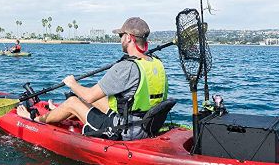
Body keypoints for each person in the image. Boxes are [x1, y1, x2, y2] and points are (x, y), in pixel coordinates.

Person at [16, 17, 167, 141]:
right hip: (147, 124)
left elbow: (88, 96)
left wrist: (72, 83)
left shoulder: (126, 67)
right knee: (97, 98)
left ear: (128, 38)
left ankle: (35, 120)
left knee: (74, 100)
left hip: (125, 130)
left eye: (121, 36)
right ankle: (60, 112)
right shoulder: (157, 63)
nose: (120, 39)